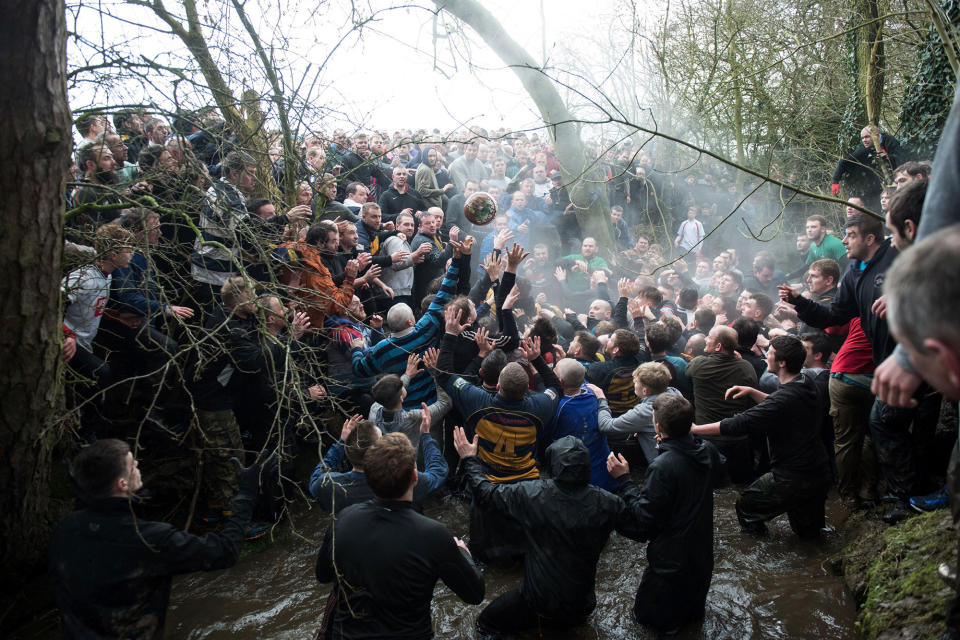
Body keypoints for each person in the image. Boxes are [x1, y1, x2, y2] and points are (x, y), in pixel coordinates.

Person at [49, 439, 258, 639]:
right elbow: (224, 551)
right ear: (122, 484)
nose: (138, 463)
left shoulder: (67, 528)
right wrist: (246, 494)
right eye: (132, 465)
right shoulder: (149, 539)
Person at [455, 428, 641, 639]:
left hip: (538, 601)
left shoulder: (533, 494)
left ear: (553, 466)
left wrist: (469, 458)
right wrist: (625, 480)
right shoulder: (608, 502)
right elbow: (641, 528)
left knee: (483, 625)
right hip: (582, 603)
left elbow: (486, 494)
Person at [315, 433, 484, 638]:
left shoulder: (343, 520)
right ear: (415, 477)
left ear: (368, 478)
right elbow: (475, 595)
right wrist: (463, 553)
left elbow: (322, 575)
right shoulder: (433, 535)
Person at [606, 394, 725, 635]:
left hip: (669, 565)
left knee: (647, 624)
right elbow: (721, 478)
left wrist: (625, 480)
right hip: (701, 556)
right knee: (692, 622)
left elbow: (644, 523)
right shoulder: (707, 450)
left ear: (658, 427)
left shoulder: (663, 466)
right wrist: (668, 446)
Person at [691, 335, 831, 538]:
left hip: (792, 476)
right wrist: (752, 391)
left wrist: (695, 429)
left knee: (746, 506)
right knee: (809, 533)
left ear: (782, 362)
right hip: (818, 471)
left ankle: (758, 546)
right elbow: (784, 404)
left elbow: (740, 424)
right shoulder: (806, 381)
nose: (767, 357)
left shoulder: (783, 399)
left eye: (771, 353)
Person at [309, 407, 448, 514]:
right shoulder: (401, 480)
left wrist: (341, 443)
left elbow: (316, 477)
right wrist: (426, 435)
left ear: (346, 451)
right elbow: (438, 473)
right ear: (381, 451)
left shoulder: (330, 485)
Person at [686, 325, 759, 482]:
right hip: (739, 439)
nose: (706, 339)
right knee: (741, 485)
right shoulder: (746, 367)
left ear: (718, 346)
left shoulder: (698, 365)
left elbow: (687, 372)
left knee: (711, 485)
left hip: (709, 439)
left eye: (709, 337)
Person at [831, 125, 902, 209]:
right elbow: (846, 161)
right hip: (876, 185)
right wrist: (835, 181)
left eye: (867, 137)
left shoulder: (890, 141)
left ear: (877, 135)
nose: (864, 140)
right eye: (862, 138)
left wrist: (886, 156)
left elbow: (901, 159)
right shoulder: (865, 147)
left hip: (896, 181)